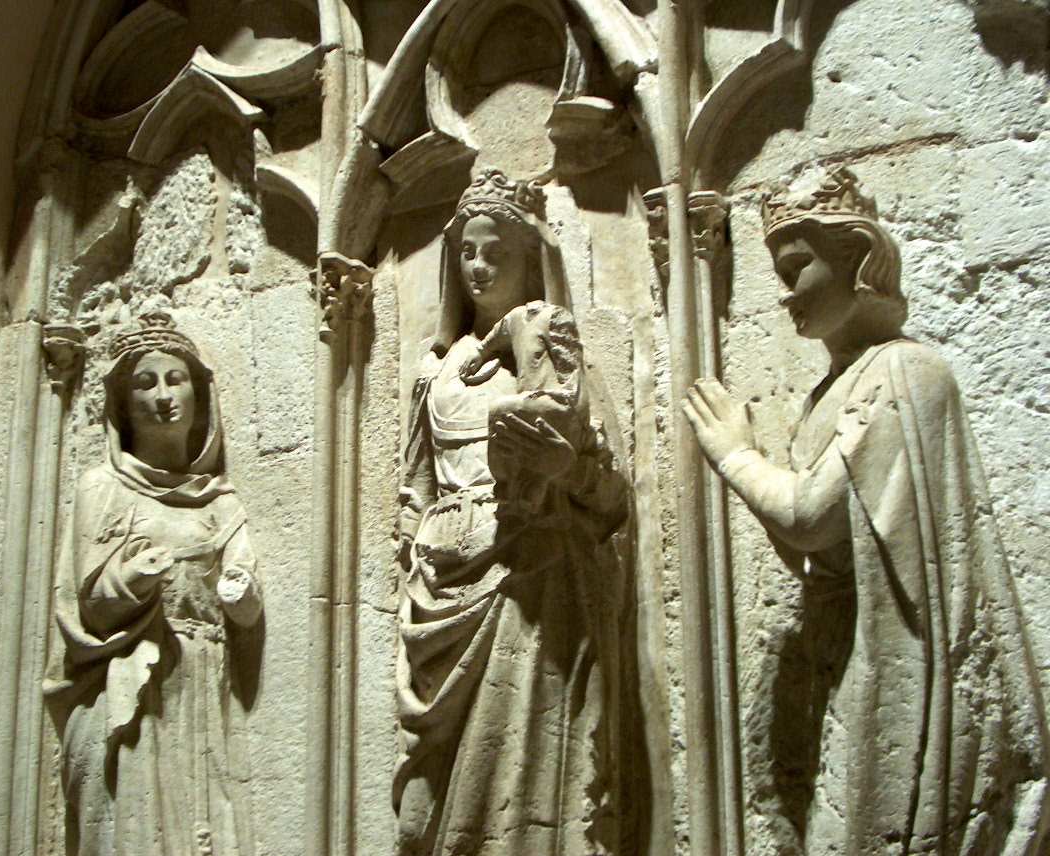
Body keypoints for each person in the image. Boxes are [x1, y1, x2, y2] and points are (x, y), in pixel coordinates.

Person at [683, 167, 1048, 854]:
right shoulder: (836, 388)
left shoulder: (904, 370)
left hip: (898, 657)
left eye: (796, 268)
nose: (785, 293)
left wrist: (735, 455)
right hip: (845, 647)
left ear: (857, 255)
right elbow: (810, 540)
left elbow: (811, 517)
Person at [395, 169, 644, 856]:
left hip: (532, 581)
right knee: (423, 817)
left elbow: (611, 497)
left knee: (528, 798)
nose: (478, 267)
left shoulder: (553, 359)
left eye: (496, 253)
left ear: (529, 261)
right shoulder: (434, 372)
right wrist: (421, 550)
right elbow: (415, 487)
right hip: (441, 590)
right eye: (467, 252)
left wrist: (567, 472)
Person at [45, 311, 262, 856]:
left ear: (198, 394)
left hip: (200, 681)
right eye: (145, 383)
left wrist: (240, 592)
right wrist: (132, 578)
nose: (164, 396)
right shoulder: (103, 488)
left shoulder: (219, 501)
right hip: (131, 684)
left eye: (175, 379)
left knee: (202, 831)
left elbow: (246, 602)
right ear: (124, 403)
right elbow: (85, 609)